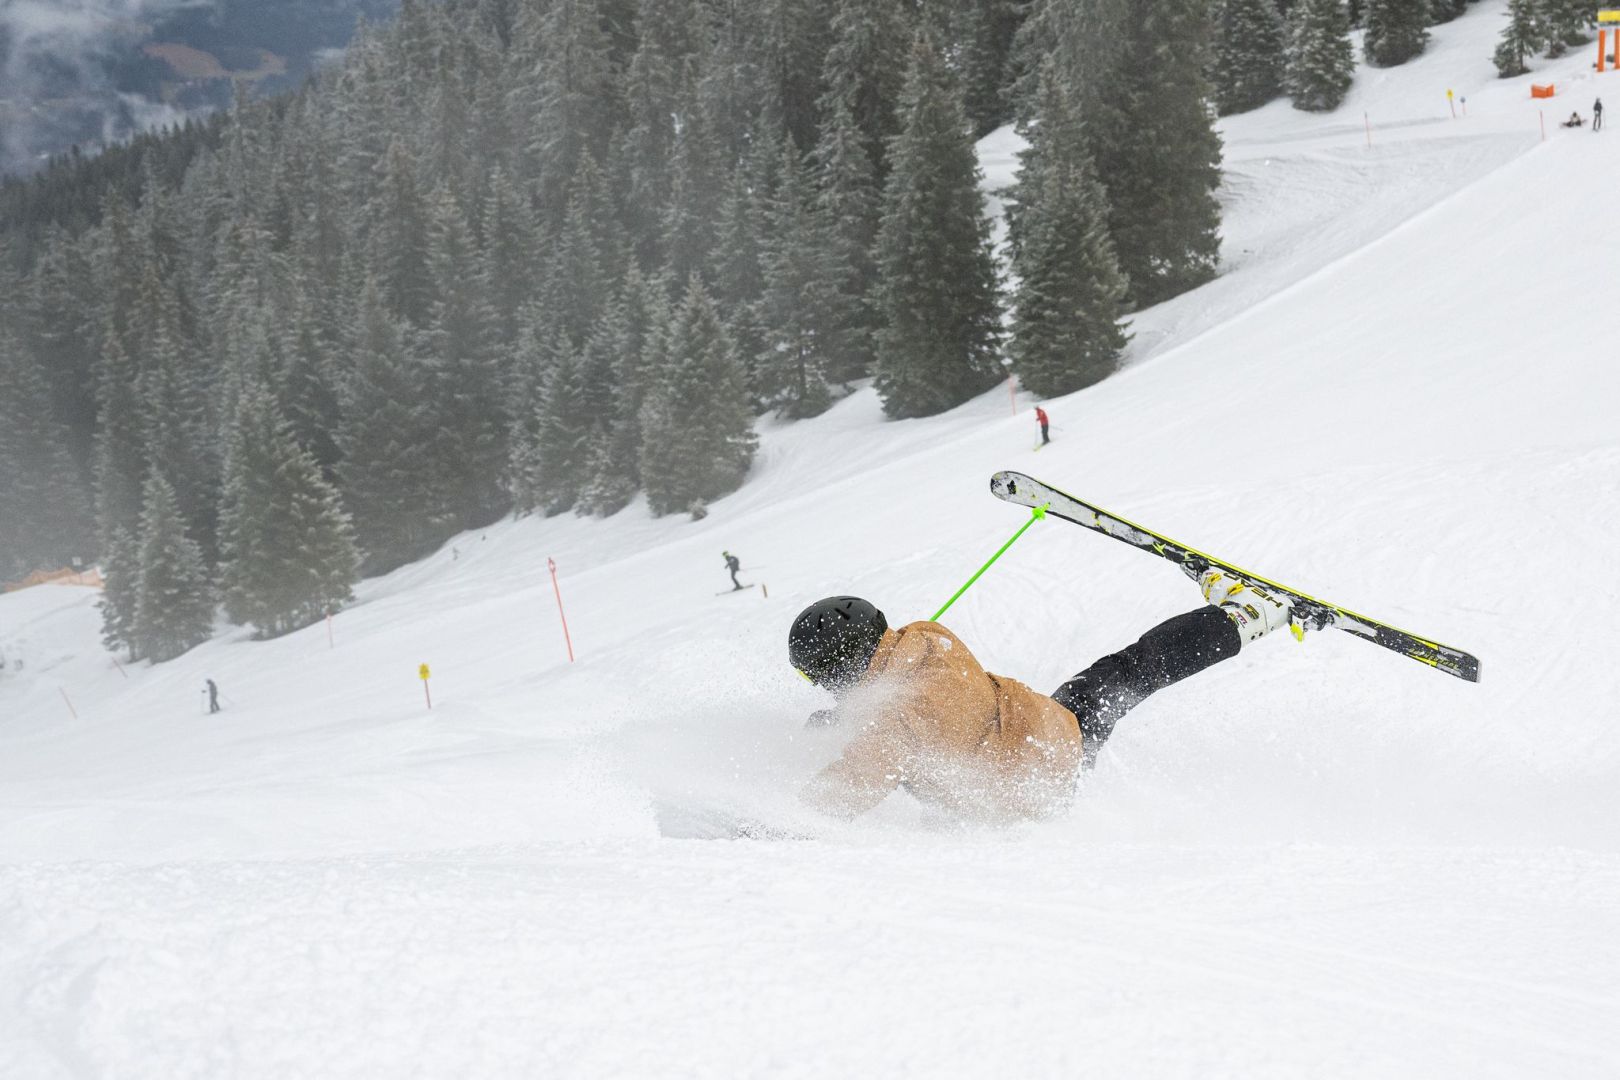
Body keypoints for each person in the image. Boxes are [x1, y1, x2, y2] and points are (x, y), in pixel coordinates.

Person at [788, 566, 1313, 821]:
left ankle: (1250, 615)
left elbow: (851, 786)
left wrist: (772, 820)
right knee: (1125, 671)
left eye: (818, 679)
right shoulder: (928, 638)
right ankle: (1232, 618)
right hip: (1043, 725)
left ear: (843, 670)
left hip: (1046, 771)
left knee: (1128, 674)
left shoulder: (897, 722)